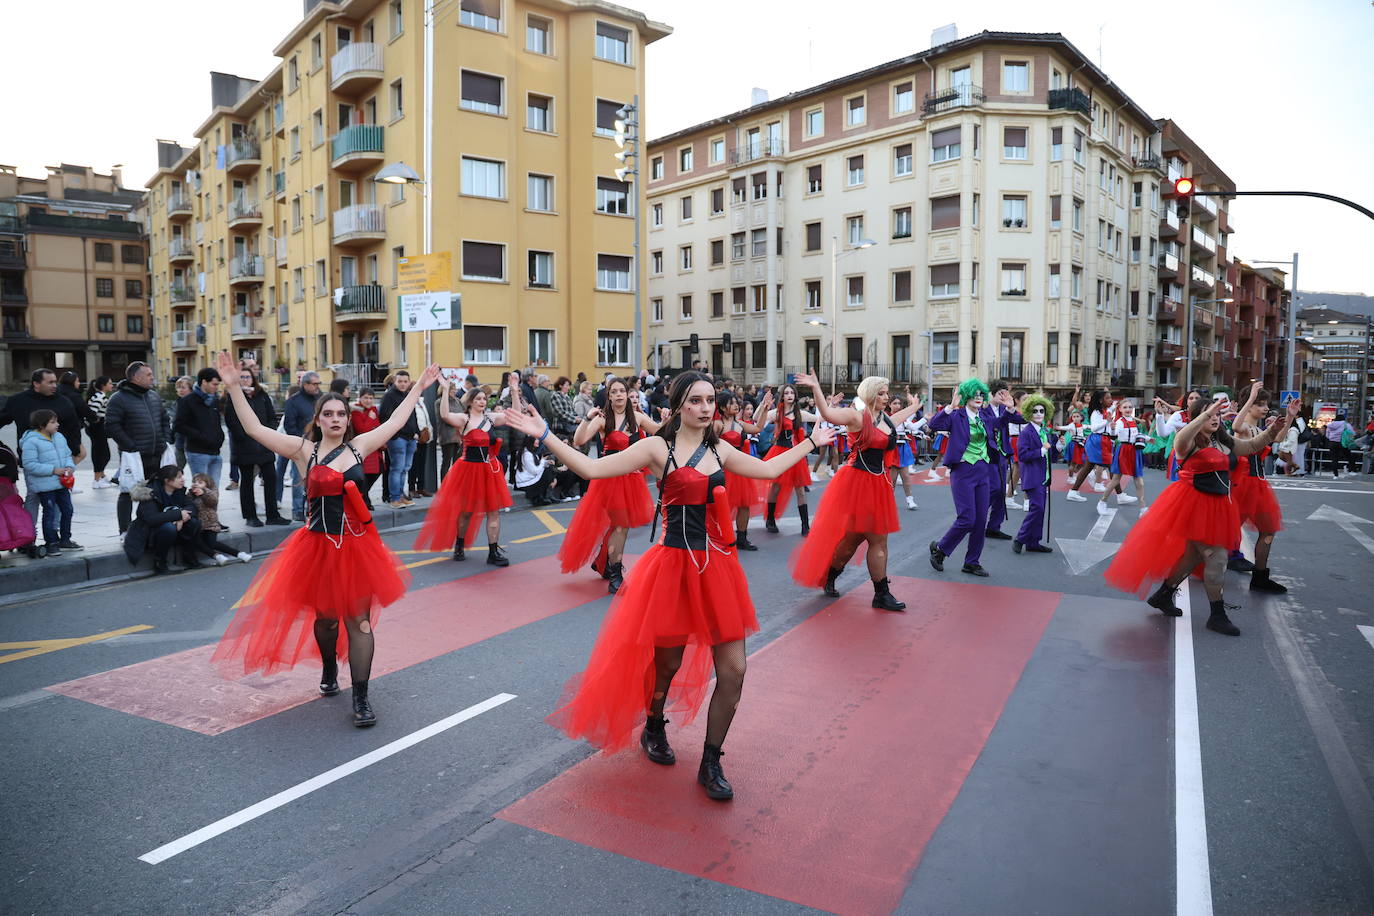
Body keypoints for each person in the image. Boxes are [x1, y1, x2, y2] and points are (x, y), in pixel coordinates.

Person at [502, 371, 836, 800]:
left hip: (718, 569)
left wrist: (813, 442)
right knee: (667, 665)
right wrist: (544, 433)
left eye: (710, 399)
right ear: (680, 405)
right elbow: (592, 467)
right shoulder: (657, 447)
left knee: (733, 670)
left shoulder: (721, 449)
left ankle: (711, 759)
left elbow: (768, 469)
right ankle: (655, 723)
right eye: (696, 400)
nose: (705, 407)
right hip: (672, 568)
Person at [213, 351, 441, 727]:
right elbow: (255, 429)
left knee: (360, 623)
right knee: (326, 620)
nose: (335, 419)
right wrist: (235, 387)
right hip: (317, 545)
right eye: (328, 414)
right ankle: (330, 671)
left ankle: (362, 697)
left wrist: (419, 386)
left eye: (341, 414)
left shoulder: (361, 446)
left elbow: (398, 419)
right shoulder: (304, 451)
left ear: (348, 418)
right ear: (317, 420)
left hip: (357, 546)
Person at [1104, 395, 1296, 637]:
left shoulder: (1220, 439)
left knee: (1192, 557)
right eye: (1210, 414)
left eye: (1217, 414)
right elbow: (1181, 438)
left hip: (1219, 506)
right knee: (1217, 558)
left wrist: (1274, 430)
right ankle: (1217, 615)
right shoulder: (1188, 440)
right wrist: (1205, 414)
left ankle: (1163, 595)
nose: (1215, 418)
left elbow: (1250, 447)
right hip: (1194, 505)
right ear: (1198, 417)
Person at [791, 372, 922, 609]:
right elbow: (830, 414)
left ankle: (865, 587)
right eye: (881, 393)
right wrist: (816, 388)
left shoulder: (886, 419)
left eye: (886, 392)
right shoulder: (857, 417)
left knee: (865, 538)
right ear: (871, 395)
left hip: (879, 484)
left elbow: (900, 417)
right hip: (858, 483)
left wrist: (914, 406)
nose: (886, 397)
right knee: (863, 539)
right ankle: (870, 589)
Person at [561, 376, 662, 592]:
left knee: (619, 525)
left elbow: (662, 433)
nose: (618, 395)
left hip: (633, 478)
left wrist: (667, 417)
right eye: (613, 392)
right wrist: (587, 418)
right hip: (610, 479)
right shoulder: (602, 419)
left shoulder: (638, 418)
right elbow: (579, 441)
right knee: (619, 524)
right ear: (608, 396)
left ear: (627, 394)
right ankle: (615, 573)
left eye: (621, 391)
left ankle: (604, 562)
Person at [415, 377, 516, 566]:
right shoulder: (464, 419)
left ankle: (493, 552)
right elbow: (444, 415)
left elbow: (515, 414)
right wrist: (445, 390)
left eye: (484, 399)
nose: (482, 402)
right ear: (470, 401)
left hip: (489, 471)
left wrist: (515, 391)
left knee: (493, 512)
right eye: (478, 399)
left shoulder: (490, 418)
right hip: (469, 469)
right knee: (466, 512)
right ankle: (459, 545)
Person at [927, 379, 1017, 577]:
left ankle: (972, 562)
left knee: (980, 521)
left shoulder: (984, 418)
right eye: (974, 394)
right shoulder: (957, 416)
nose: (978, 398)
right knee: (967, 518)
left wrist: (1010, 410)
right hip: (963, 471)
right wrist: (950, 406)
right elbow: (934, 425)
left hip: (983, 471)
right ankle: (941, 550)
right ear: (967, 396)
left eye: (981, 395)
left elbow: (1002, 423)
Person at [1231, 386, 1289, 592]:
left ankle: (1260, 577)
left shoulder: (1259, 429)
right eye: (1260, 404)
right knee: (1224, 531)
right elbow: (1236, 425)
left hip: (1259, 485)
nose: (1265, 408)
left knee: (1268, 530)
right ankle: (1195, 565)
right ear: (1249, 405)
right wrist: (1250, 398)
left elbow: (1279, 438)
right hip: (1243, 485)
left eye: (1266, 404)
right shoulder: (1245, 427)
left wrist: (1290, 416)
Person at [105, 362, 170, 536]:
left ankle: (150, 525)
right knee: (128, 492)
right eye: (149, 375)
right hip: (133, 456)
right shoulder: (118, 398)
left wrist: (166, 439)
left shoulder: (154, 396)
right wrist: (130, 446)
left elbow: (164, 419)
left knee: (155, 492)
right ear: (136, 377)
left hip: (157, 454)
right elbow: (111, 426)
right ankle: (124, 531)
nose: (152, 377)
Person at [224, 367, 290, 528]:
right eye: (242, 377)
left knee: (270, 477)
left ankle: (272, 514)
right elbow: (231, 421)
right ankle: (250, 516)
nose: (246, 379)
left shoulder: (262, 395)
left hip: (265, 444)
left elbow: (271, 417)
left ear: (253, 378)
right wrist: (248, 435)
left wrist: (267, 433)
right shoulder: (233, 397)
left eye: (248, 376)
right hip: (244, 446)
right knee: (246, 481)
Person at [713, 390, 772, 550]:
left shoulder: (739, 424)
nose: (736, 405)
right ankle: (720, 537)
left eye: (736, 402)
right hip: (723, 470)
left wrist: (765, 408)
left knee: (744, 505)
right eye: (732, 403)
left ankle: (742, 538)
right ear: (723, 407)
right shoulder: (717, 425)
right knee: (722, 506)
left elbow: (759, 428)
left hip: (740, 469)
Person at [760, 384, 820, 536]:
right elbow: (757, 419)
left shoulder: (800, 413)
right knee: (775, 487)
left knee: (800, 489)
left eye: (792, 392)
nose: (789, 395)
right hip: (780, 452)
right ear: (782, 396)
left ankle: (805, 525)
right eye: (786, 393)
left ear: (795, 395)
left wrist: (830, 406)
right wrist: (763, 405)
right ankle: (770, 520)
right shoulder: (776, 413)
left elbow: (820, 418)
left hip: (796, 454)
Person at [122, 465, 205, 574]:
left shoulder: (178, 491)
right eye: (179, 477)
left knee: (194, 522)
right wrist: (177, 515)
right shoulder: (150, 493)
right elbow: (152, 519)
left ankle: (189, 556)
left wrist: (181, 518)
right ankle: (159, 562)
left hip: (171, 530)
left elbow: (192, 507)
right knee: (169, 528)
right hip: (148, 532)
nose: (183, 480)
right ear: (167, 481)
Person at [20, 409, 79, 556]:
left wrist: (70, 467)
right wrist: (53, 470)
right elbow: (29, 464)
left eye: (56, 421)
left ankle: (65, 539)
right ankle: (51, 543)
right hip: (45, 485)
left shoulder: (59, 437)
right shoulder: (31, 441)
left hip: (61, 483)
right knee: (50, 513)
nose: (57, 424)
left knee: (67, 510)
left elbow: (67, 454)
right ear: (41, 425)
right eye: (53, 422)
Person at [1012, 394, 1056, 555]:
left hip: (1043, 476)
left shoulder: (1043, 431)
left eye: (1041, 411)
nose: (1038, 414)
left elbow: (1047, 451)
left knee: (1040, 509)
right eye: (1035, 411)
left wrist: (1057, 448)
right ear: (1029, 413)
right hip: (1032, 476)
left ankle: (1033, 541)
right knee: (1037, 508)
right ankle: (1020, 538)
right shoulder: (1026, 432)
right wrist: (1042, 450)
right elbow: (1023, 455)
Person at [174, 368, 225, 486]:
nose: (216, 387)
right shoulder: (188, 401)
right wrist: (200, 436)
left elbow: (216, 423)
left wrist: (219, 437)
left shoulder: (214, 400)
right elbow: (178, 425)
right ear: (204, 382)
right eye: (214, 384)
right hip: (197, 453)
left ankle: (212, 506)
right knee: (201, 491)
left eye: (218, 384)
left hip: (215, 452)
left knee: (213, 490)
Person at [1099, 397, 1150, 514]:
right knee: (1116, 479)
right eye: (1125, 407)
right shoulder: (1120, 422)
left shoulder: (1133, 420)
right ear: (1120, 409)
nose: (1128, 409)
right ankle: (1102, 501)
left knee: (1139, 481)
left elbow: (1136, 435)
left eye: (1130, 407)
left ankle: (1143, 508)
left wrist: (1148, 439)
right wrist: (1112, 429)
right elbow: (1114, 435)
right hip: (1124, 450)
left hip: (1135, 451)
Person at [282, 371, 322, 519]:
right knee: (299, 478)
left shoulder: (320, 398)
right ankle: (298, 509)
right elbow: (289, 426)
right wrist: (302, 440)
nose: (318, 386)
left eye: (319, 383)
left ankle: (314, 508)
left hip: (320, 445)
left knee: (318, 479)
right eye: (315, 384)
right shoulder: (293, 401)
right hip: (301, 445)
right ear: (305, 384)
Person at [188, 472, 251, 565]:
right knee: (196, 541)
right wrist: (191, 493)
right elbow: (188, 504)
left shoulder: (210, 492)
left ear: (207, 484)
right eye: (195, 482)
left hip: (210, 524)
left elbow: (213, 501)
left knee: (211, 543)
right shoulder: (191, 493)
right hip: (198, 525)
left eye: (200, 482)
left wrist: (203, 493)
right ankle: (217, 556)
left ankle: (239, 554)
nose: (197, 484)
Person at [1065, 389, 1116, 501]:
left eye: (1110, 397)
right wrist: (1107, 421)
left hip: (1102, 439)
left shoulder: (1105, 411)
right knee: (1112, 466)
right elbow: (1094, 427)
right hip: (1097, 439)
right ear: (1100, 400)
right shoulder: (1095, 412)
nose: (1110, 400)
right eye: (1108, 398)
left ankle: (1073, 491)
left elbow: (1112, 410)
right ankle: (1120, 494)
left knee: (1089, 467)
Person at [379, 370, 419, 508]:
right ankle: (394, 498)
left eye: (405, 381)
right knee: (397, 468)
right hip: (398, 439)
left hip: (410, 438)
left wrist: (416, 432)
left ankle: (401, 496)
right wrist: (395, 435)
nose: (402, 384)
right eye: (400, 381)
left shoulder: (408, 395)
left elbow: (413, 415)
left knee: (404, 469)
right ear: (395, 382)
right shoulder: (389, 396)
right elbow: (385, 417)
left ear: (409, 382)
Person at [348, 389, 384, 507]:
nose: (368, 401)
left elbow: (378, 427)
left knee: (376, 472)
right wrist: (370, 418)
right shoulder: (356, 412)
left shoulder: (373, 410)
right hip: (363, 448)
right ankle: (364, 500)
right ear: (360, 398)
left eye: (370, 398)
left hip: (374, 447)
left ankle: (364, 497)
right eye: (365, 398)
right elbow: (361, 430)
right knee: (364, 475)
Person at [887, 396, 921, 511]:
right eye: (894, 403)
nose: (897, 406)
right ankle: (889, 500)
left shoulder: (904, 418)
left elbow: (914, 427)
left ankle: (910, 500)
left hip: (903, 449)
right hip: (892, 449)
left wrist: (925, 419)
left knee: (906, 476)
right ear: (890, 405)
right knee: (893, 478)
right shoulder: (886, 418)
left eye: (899, 403)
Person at [86, 377, 115, 488]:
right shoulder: (100, 396)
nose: (112, 385)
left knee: (102, 453)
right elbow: (92, 412)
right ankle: (97, 479)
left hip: (97, 428)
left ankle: (101, 476)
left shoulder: (98, 395)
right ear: (104, 385)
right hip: (98, 428)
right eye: (110, 383)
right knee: (102, 453)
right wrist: (96, 420)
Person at [514, 436, 558, 505]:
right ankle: (540, 497)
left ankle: (543, 496)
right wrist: (543, 461)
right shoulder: (527, 454)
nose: (538, 441)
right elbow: (535, 471)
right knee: (548, 471)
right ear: (531, 442)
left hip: (530, 479)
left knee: (549, 468)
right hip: (526, 482)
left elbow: (536, 466)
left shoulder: (530, 452)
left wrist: (546, 462)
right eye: (536, 439)